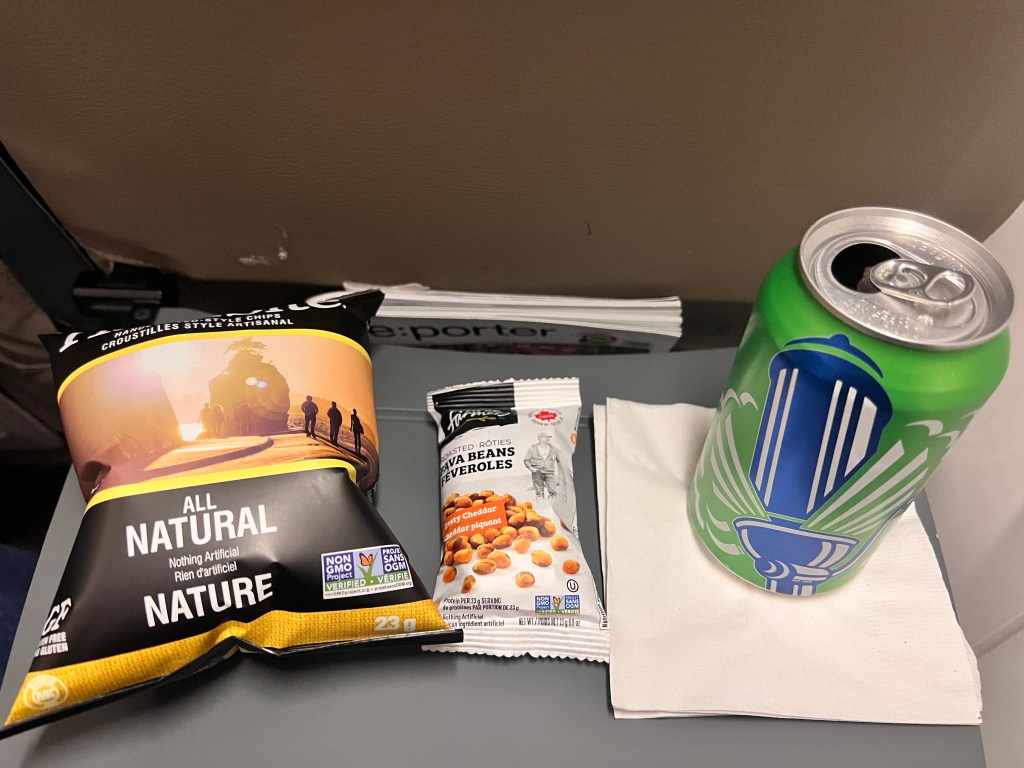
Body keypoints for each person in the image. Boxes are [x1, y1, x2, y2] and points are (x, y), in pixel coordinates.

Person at [523, 432, 562, 502]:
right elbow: (526, 460)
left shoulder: (553, 449)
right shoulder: (533, 448)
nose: (548, 439)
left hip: (550, 473)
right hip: (537, 473)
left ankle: (552, 508)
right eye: (546, 437)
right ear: (540, 439)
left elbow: (560, 461)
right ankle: (541, 508)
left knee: (553, 491)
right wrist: (531, 468)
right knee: (539, 493)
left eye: (548, 437)